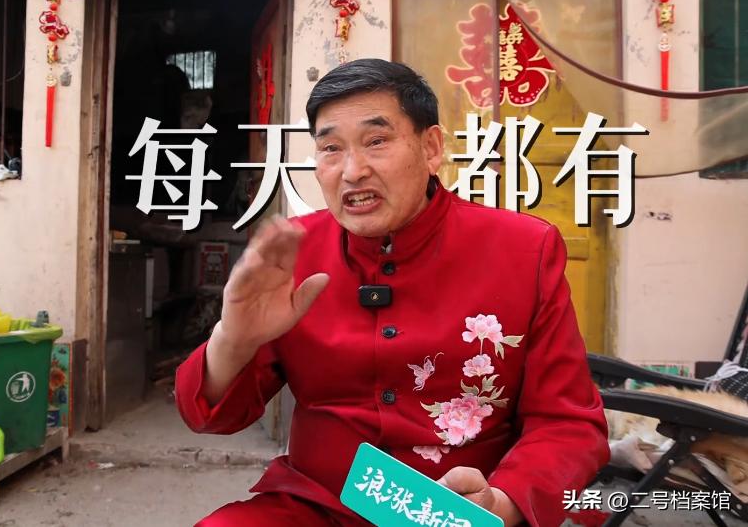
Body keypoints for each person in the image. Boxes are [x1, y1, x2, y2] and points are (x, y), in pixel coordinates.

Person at [175, 59, 609, 526]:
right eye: (331, 148)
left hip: (460, 515)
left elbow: (568, 423)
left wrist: (501, 503)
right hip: (318, 505)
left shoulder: (523, 250)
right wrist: (233, 338)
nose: (352, 171)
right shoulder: (292, 254)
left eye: (376, 141)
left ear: (431, 147)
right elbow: (210, 416)